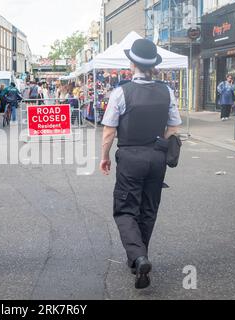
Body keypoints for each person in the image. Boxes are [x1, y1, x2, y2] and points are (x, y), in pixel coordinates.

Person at [100, 39, 182, 290]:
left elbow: (109, 132)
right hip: (157, 157)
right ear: (152, 64)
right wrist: (161, 146)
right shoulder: (166, 90)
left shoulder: (121, 92)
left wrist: (104, 156)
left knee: (125, 209)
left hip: (130, 157)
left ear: (132, 63)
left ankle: (138, 256)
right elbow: (174, 127)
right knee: (148, 208)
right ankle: (138, 257)